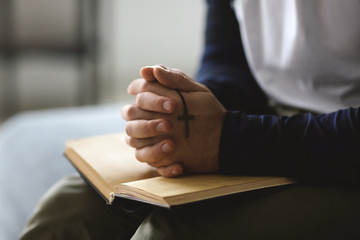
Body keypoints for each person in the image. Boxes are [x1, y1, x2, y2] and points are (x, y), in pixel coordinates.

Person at [20, 0, 360, 239]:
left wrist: (229, 139)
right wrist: (185, 111)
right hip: (274, 128)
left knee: (169, 234)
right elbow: (230, 58)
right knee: (66, 212)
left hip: (342, 155)